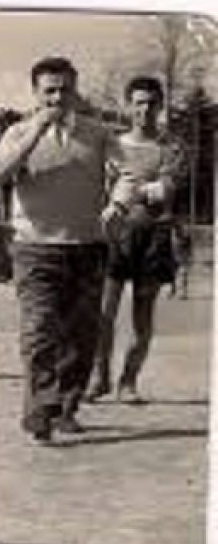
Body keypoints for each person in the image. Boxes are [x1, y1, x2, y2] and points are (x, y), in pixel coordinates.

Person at [0, 57, 116, 444]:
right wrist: (35, 132)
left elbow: (126, 173)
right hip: (35, 248)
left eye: (64, 90)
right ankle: (40, 407)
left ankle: (66, 408)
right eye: (49, 91)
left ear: (75, 91)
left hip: (87, 246)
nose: (57, 98)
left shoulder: (97, 133)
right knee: (39, 331)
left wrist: (119, 204)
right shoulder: (18, 132)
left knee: (81, 336)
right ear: (35, 94)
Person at [87, 76, 184, 405]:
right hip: (114, 237)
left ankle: (128, 382)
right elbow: (101, 188)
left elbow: (164, 191)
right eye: (139, 102)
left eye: (152, 103)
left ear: (161, 106)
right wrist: (133, 191)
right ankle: (99, 378)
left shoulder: (170, 147)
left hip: (154, 237)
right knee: (104, 313)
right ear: (128, 105)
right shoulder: (112, 145)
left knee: (143, 317)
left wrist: (129, 189)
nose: (146, 109)